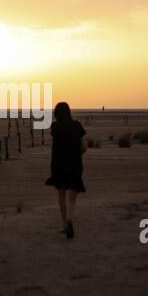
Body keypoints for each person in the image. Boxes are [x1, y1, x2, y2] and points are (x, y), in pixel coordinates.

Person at [45, 102, 87, 239]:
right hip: (74, 163)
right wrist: (76, 155)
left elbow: (55, 146)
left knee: (61, 195)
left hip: (58, 163)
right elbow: (84, 146)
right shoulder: (77, 125)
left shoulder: (55, 126)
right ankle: (70, 219)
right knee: (73, 195)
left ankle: (64, 225)